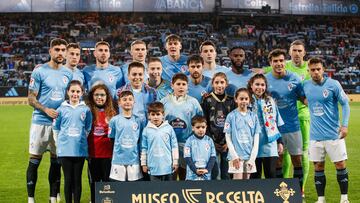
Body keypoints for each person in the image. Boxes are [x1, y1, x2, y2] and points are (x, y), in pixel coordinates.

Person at [27, 38, 72, 203]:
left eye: (62, 50)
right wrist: (45, 109)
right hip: (40, 122)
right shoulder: (39, 71)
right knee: (34, 161)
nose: (60, 53)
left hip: (59, 125)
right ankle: (30, 199)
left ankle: (53, 198)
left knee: (56, 162)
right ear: (50, 51)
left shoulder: (68, 73)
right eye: (57, 49)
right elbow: (31, 98)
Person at [304, 58, 350, 203]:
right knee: (318, 166)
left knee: (340, 164)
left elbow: (345, 104)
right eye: (313, 70)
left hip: (333, 134)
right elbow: (300, 97)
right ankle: (321, 199)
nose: (316, 72)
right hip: (315, 136)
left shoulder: (333, 84)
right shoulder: (305, 85)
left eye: (318, 69)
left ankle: (344, 199)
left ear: (323, 69)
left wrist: (345, 125)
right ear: (309, 71)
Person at [265, 49, 306, 189]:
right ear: (270, 63)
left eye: (281, 60)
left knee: (297, 160)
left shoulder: (294, 78)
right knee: (278, 161)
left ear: (285, 61)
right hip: (274, 129)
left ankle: (298, 192)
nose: (278, 63)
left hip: (293, 127)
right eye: (275, 61)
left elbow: (304, 99)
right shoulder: (265, 80)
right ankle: (280, 194)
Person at [53, 80, 92, 203]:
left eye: (78, 91)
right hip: (65, 150)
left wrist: (79, 140)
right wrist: (59, 143)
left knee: (77, 179)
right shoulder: (61, 109)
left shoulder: (86, 110)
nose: (75, 94)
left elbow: (88, 128)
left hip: (79, 151)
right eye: (72, 91)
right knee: (68, 179)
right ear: (68, 92)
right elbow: (56, 128)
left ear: (82, 93)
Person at [160, 73, 203, 180]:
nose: (181, 87)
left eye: (184, 84)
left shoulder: (193, 102)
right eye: (178, 84)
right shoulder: (164, 102)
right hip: (169, 144)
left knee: (185, 173)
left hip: (187, 143)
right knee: (172, 173)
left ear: (187, 86)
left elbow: (200, 122)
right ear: (172, 85)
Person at [247, 74, 284, 179]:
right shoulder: (246, 100)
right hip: (252, 145)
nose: (260, 87)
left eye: (263, 85)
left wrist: (280, 142)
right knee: (255, 177)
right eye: (257, 84)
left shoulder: (270, 100)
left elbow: (276, 122)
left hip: (270, 144)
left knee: (271, 175)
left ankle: (271, 196)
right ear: (251, 85)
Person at [201, 72, 236, 180]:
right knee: (214, 172)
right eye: (216, 82)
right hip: (212, 142)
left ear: (226, 84)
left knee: (227, 173)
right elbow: (204, 123)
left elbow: (235, 124)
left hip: (228, 143)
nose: (219, 85)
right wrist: (212, 141)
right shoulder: (207, 100)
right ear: (212, 84)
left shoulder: (231, 101)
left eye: (222, 82)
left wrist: (228, 142)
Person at [86, 83, 117, 203]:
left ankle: (107, 200)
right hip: (93, 153)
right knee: (94, 180)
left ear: (107, 96)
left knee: (107, 181)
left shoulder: (112, 113)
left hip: (108, 154)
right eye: (97, 95)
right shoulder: (88, 111)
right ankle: (94, 199)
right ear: (92, 96)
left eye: (102, 95)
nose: (99, 97)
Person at [108, 90, 144, 181]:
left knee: (133, 188)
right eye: (124, 99)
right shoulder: (114, 120)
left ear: (134, 102)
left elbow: (140, 140)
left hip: (134, 160)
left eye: (130, 99)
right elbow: (111, 139)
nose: (127, 102)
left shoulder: (138, 121)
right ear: (119, 102)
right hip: (118, 160)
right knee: (118, 187)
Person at [224, 88, 260, 180]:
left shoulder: (254, 116)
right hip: (236, 156)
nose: (244, 101)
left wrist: (252, 159)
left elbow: (256, 140)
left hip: (249, 156)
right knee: (237, 185)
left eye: (246, 99)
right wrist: (234, 156)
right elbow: (228, 138)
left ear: (249, 100)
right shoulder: (231, 116)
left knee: (246, 186)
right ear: (236, 99)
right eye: (241, 99)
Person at [140, 102, 179, 181]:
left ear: (163, 115)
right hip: (153, 167)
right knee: (155, 190)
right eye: (153, 114)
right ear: (149, 116)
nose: (155, 117)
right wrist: (144, 164)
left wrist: (175, 161)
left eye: (158, 114)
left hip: (168, 167)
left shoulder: (169, 129)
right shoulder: (146, 130)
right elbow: (144, 148)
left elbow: (174, 147)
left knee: (168, 190)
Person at [184, 116, 216, 181]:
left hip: (206, 174)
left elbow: (213, 157)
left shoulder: (209, 140)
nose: (201, 129)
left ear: (206, 127)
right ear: (193, 128)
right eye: (198, 127)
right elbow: (187, 158)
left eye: (203, 127)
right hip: (192, 175)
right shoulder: (189, 141)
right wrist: (195, 170)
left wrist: (207, 169)